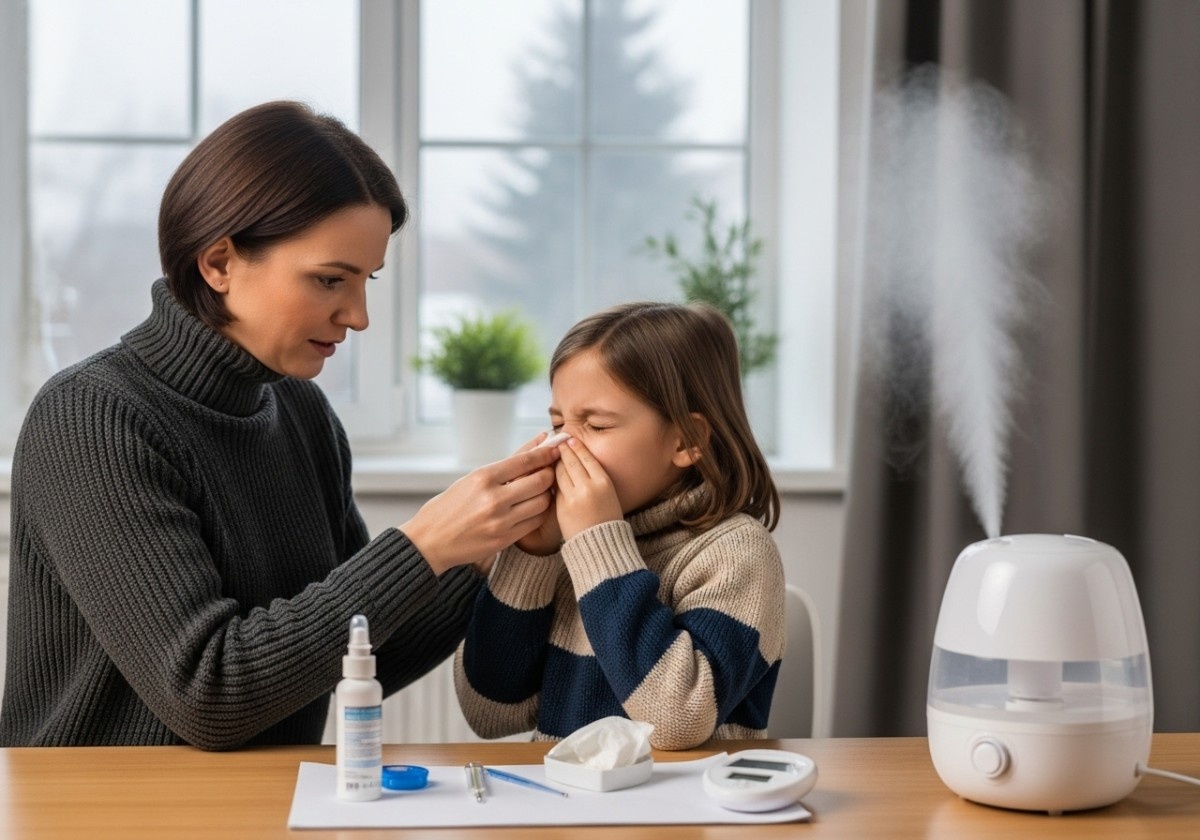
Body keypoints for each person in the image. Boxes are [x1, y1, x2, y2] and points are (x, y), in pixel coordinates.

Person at [0, 101, 560, 749]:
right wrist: (424, 543)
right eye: (330, 280)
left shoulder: (299, 410)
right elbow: (208, 693)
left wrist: (489, 552)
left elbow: (364, 653)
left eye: (366, 281)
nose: (358, 316)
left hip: (256, 800)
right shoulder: (92, 419)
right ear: (218, 264)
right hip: (101, 810)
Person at [453, 301, 786, 750]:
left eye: (596, 425)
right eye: (557, 423)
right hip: (567, 810)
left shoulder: (735, 553)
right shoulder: (567, 549)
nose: (561, 445)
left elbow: (678, 721)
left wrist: (598, 544)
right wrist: (529, 554)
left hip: (681, 814)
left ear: (687, 440)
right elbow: (489, 713)